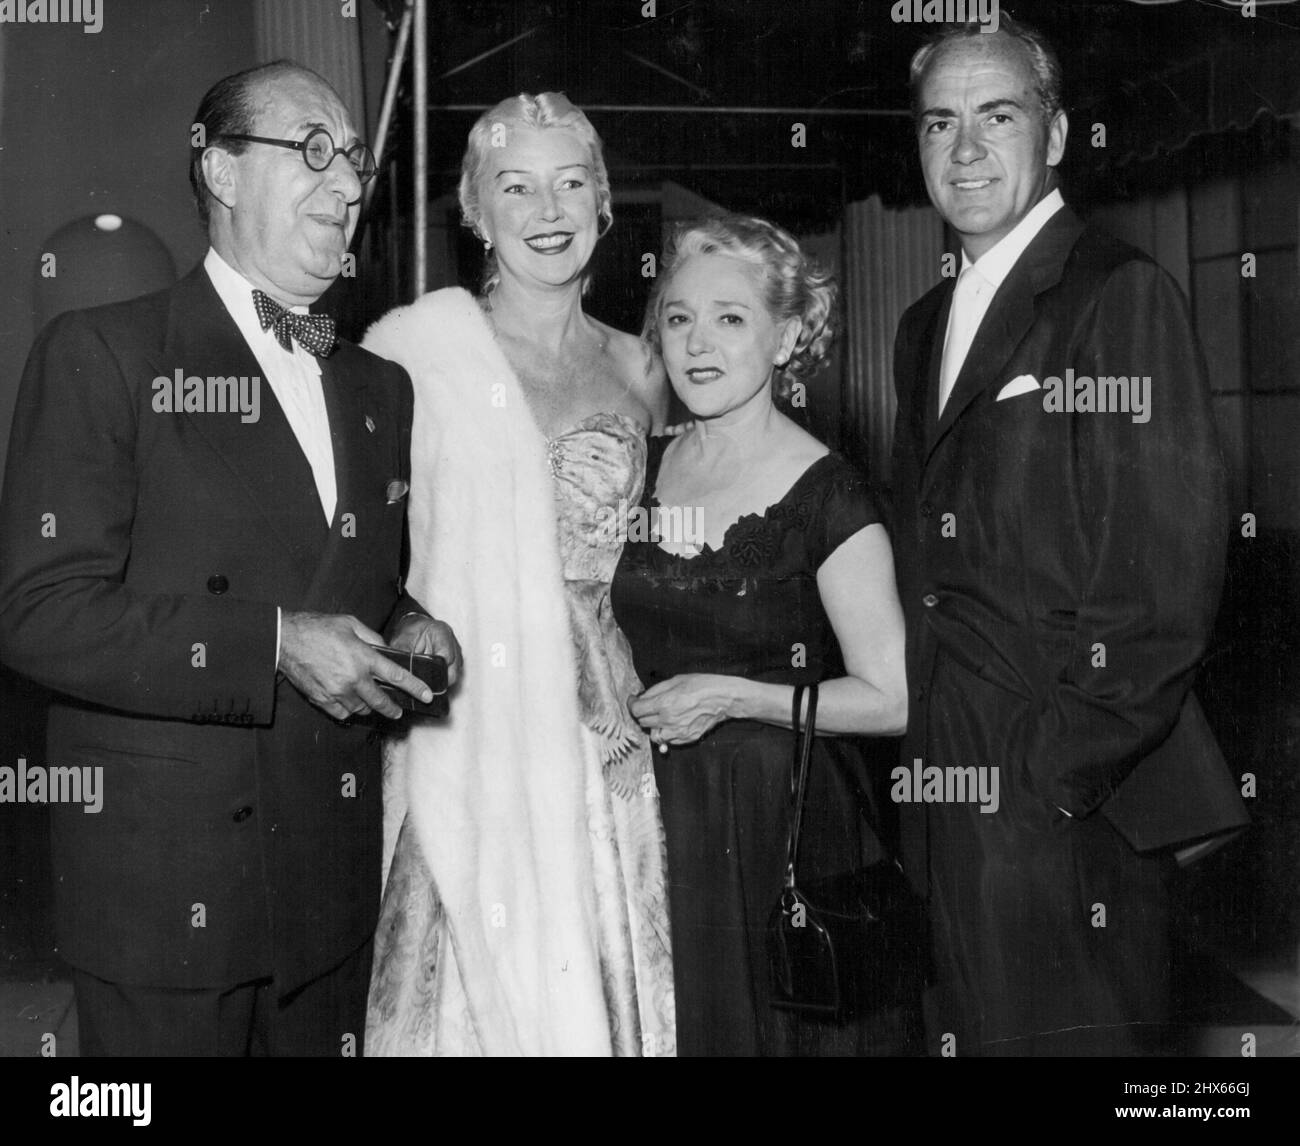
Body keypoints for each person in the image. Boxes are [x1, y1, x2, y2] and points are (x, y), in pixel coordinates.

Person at [0, 61, 459, 1056]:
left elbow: (340, 577)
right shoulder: (103, 354)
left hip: (328, 905)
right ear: (219, 171)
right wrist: (274, 644)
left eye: (354, 163)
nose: (348, 187)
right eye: (313, 151)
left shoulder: (380, 387)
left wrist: (409, 620)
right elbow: (39, 611)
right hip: (165, 901)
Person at [890, 17, 1248, 1056]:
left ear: (1053, 138)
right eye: (938, 124)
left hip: (1060, 804)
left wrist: (1048, 781)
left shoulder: (1115, 293)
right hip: (941, 783)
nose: (962, 151)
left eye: (994, 117)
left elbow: (1163, 581)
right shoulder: (923, 324)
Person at [360, 92, 676, 1056]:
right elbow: (364, 558)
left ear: (606, 205)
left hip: (600, 731)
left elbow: (668, 558)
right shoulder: (412, 352)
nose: (549, 208)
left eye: (572, 183)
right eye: (517, 185)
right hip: (470, 720)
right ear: (475, 213)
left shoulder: (647, 367)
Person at [610, 215, 919, 1056]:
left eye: (731, 318)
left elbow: (891, 698)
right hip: (659, 826)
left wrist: (735, 696)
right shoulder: (641, 465)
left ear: (786, 338)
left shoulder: (833, 497)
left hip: (783, 831)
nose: (698, 343)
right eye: (678, 318)